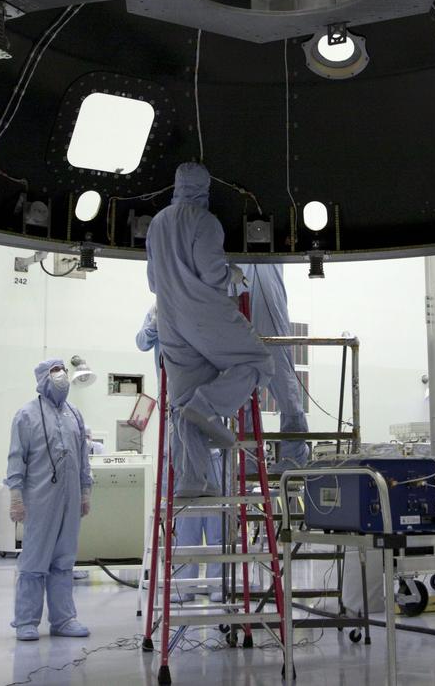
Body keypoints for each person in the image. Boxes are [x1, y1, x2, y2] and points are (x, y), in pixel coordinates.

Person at [145, 162, 274, 496]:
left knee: (182, 403)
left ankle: (192, 480)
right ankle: (208, 405)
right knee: (260, 362)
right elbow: (212, 274)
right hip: (203, 314)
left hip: (169, 320)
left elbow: (152, 281)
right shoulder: (205, 222)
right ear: (203, 189)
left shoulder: (156, 224)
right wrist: (233, 274)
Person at [135, 302, 224, 601]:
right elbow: (141, 341)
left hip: (209, 414)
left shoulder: (204, 311)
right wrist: (156, 321)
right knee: (184, 513)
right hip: (176, 417)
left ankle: (217, 583)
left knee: (215, 513)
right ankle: (182, 584)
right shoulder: (162, 312)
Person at [5, 359, 93, 641]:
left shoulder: (75, 414)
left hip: (71, 497)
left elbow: (83, 458)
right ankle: (26, 621)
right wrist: (16, 497)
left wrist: (86, 490)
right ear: (43, 378)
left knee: (64, 558)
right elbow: (16, 458)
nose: (62, 376)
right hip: (40, 499)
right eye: (55, 372)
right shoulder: (26, 415)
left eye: (63, 370)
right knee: (34, 559)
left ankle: (64, 619)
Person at [239, 263, 310, 472]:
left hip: (273, 326)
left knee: (288, 394)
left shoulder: (270, 257)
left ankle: (295, 458)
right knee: (243, 400)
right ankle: (250, 459)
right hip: (241, 327)